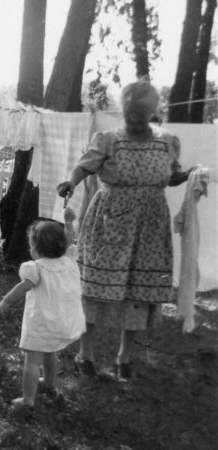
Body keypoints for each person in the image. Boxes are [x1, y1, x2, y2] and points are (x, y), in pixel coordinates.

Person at [56, 80, 191, 380]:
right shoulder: (107, 140)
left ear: (152, 111)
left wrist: (189, 177)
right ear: (123, 110)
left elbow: (171, 176)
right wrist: (71, 181)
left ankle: (124, 357)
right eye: (130, 112)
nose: (134, 118)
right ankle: (85, 352)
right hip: (110, 222)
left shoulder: (167, 142)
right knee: (94, 288)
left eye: (141, 113)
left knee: (137, 293)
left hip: (151, 228)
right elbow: (83, 167)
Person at [0, 208, 86, 408]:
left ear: (36, 248)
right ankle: (50, 383)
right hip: (61, 322)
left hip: (42, 323)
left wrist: (6, 301)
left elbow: (23, 287)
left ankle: (28, 399)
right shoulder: (69, 260)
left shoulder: (36, 268)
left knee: (32, 361)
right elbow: (70, 242)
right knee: (51, 351)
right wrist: (69, 223)